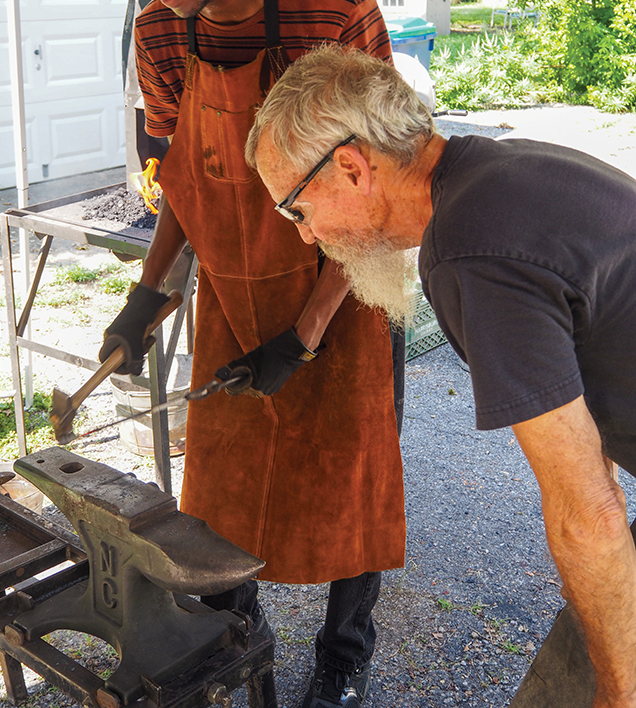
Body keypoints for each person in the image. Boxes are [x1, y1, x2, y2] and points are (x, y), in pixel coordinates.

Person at [94, 0, 406, 706]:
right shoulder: (161, 36)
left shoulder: (336, 12)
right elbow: (186, 182)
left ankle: (343, 658)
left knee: (353, 482)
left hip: (342, 290)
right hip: (232, 289)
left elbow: (375, 198)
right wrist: (146, 297)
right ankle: (237, 633)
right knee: (222, 492)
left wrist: (303, 336)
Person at [248, 43, 636, 708]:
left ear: (350, 168)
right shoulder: (499, 168)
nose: (306, 237)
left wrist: (621, 696)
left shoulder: (467, 250)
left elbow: (589, 516)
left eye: (297, 209)